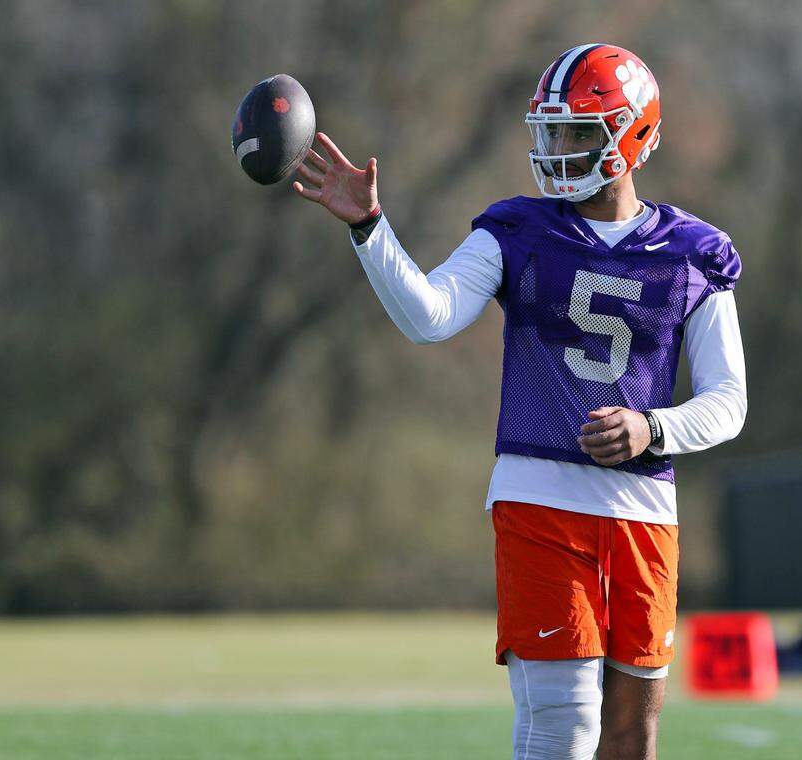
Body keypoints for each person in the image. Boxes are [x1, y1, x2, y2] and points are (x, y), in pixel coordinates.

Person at [293, 42, 746, 760]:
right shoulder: (518, 231)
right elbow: (430, 315)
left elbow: (728, 401)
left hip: (644, 514)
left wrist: (652, 428)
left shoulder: (692, 251)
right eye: (553, 130)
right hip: (540, 502)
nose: (558, 147)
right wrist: (369, 228)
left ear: (629, 135)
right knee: (565, 728)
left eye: (577, 132)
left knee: (631, 739)